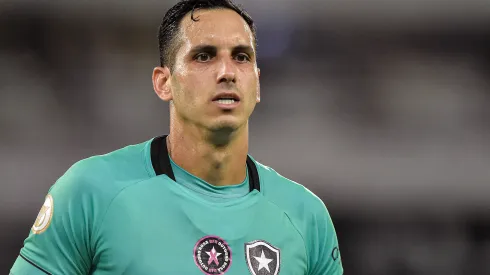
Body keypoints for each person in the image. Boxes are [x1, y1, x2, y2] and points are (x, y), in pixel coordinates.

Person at [10, 0, 344, 274]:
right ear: (163, 82)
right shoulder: (90, 192)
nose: (227, 72)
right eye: (204, 56)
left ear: (257, 83)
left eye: (241, 57)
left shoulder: (306, 216)